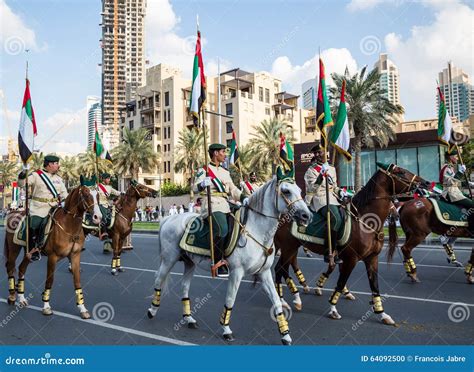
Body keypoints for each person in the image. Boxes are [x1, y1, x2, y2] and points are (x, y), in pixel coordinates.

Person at [194, 143, 248, 277]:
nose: (225, 155)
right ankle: (218, 262)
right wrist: (203, 183)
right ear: (215, 153)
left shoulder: (225, 172)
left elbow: (233, 189)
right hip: (211, 204)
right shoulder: (203, 170)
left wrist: (243, 197)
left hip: (225, 204)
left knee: (239, 225)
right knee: (222, 229)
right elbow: (194, 189)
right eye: (223, 152)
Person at [17, 154, 68, 261]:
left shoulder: (58, 179)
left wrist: (65, 202)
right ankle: (34, 249)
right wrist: (22, 175)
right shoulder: (36, 175)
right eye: (56, 164)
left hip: (54, 207)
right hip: (38, 207)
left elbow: (64, 194)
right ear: (49, 165)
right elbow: (21, 184)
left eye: (57, 163)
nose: (58, 166)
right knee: (34, 225)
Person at [304, 144, 343, 264]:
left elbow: (334, 187)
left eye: (319, 152)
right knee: (335, 219)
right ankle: (329, 251)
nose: (317, 155)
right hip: (320, 199)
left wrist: (341, 192)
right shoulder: (311, 170)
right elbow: (312, 189)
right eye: (315, 153)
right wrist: (321, 176)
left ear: (325, 153)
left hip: (333, 198)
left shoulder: (331, 168)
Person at [440, 148, 474, 234]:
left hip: (455, 192)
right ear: (451, 157)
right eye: (456, 156)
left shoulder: (450, 168)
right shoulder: (446, 168)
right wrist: (460, 172)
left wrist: (468, 184)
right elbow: (449, 183)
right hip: (450, 194)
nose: (457, 158)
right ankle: (472, 228)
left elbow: (455, 184)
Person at [97, 173, 121, 239]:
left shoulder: (109, 187)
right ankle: (104, 232)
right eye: (108, 178)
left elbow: (117, 193)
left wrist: (123, 193)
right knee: (104, 217)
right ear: (103, 179)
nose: (109, 180)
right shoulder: (98, 186)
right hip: (100, 204)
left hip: (107, 205)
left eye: (109, 178)